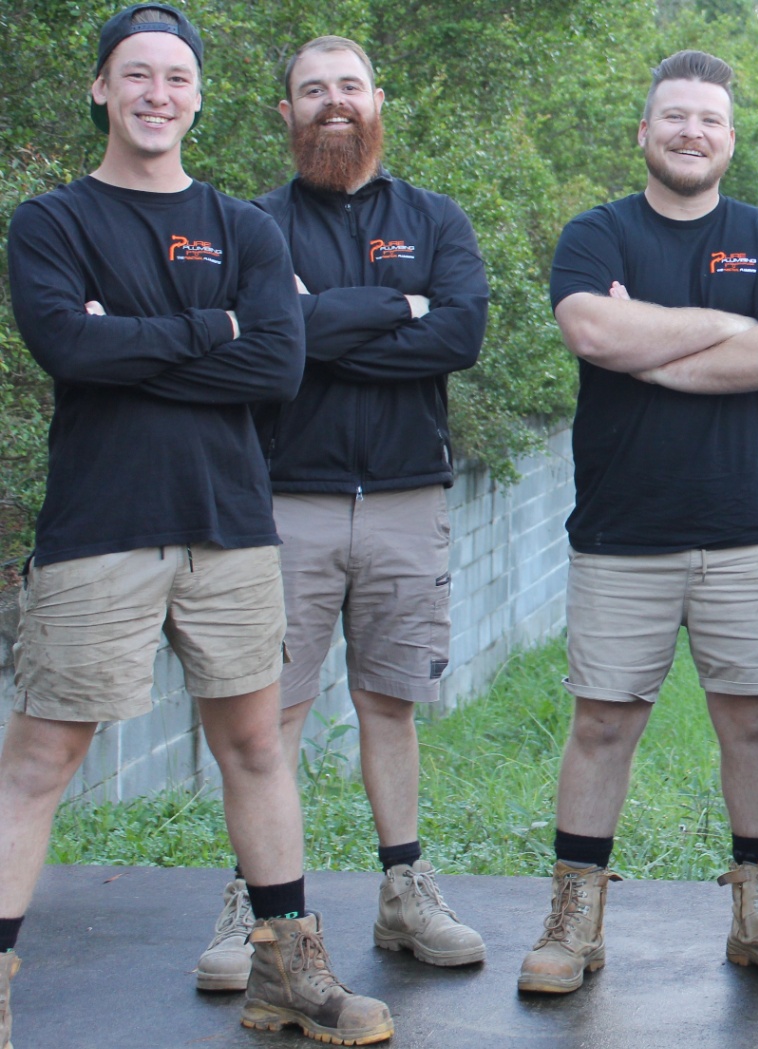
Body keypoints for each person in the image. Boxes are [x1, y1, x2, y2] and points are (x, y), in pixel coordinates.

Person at [0, 6, 392, 1045]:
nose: (157, 93)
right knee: (41, 755)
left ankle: (288, 974)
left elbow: (276, 362)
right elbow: (67, 353)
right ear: (101, 89)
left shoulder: (244, 227)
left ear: (200, 96)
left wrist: (132, 337)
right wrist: (208, 327)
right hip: (101, 526)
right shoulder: (51, 223)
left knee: (257, 744)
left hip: (229, 524)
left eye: (177, 77)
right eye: (136, 75)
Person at [185, 34, 492, 992]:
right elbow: (278, 346)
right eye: (312, 91)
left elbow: (463, 330)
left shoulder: (435, 217)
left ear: (377, 101)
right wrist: (400, 307)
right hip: (282, 504)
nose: (333, 103)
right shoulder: (252, 226)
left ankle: (405, 892)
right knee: (265, 716)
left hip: (406, 496)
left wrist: (336, 322)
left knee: (389, 702)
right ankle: (260, 908)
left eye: (348, 88)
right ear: (285, 112)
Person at [521, 49, 758, 995]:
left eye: (709, 119)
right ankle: (576, 915)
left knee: (754, 726)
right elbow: (593, 332)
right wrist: (732, 327)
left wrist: (657, 342)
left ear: (730, 140)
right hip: (622, 532)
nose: (692, 131)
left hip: (746, 530)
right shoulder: (597, 233)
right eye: (675, 117)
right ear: (644, 133)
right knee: (603, 726)